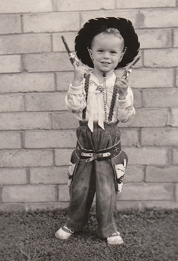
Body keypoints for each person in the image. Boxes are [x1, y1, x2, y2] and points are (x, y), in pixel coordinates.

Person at [55, 17, 140, 245]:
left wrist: (122, 97)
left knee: (106, 191)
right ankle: (74, 222)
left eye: (113, 52)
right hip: (85, 146)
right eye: (100, 50)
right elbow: (75, 108)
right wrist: (75, 80)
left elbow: (126, 117)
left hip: (108, 147)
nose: (106, 56)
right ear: (90, 53)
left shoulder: (122, 85)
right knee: (79, 188)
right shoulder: (82, 81)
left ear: (121, 56)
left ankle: (108, 228)